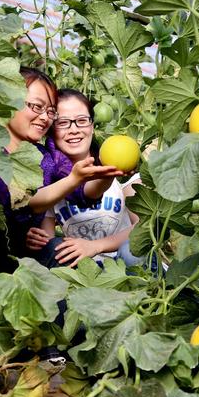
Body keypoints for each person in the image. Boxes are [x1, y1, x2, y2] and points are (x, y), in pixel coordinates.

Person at [0, 68, 122, 272]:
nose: (45, 117)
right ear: (6, 101)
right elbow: (18, 200)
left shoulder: (46, 156)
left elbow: (84, 192)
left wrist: (106, 176)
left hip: (18, 263)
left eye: (50, 111)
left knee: (57, 249)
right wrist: (74, 179)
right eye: (37, 107)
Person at [38, 89, 145, 268]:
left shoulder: (120, 165)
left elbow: (144, 228)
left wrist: (95, 246)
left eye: (81, 121)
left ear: (92, 126)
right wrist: (35, 238)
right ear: (51, 130)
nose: (74, 130)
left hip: (126, 265)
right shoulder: (51, 181)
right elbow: (48, 242)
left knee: (132, 252)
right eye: (63, 123)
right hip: (84, 271)